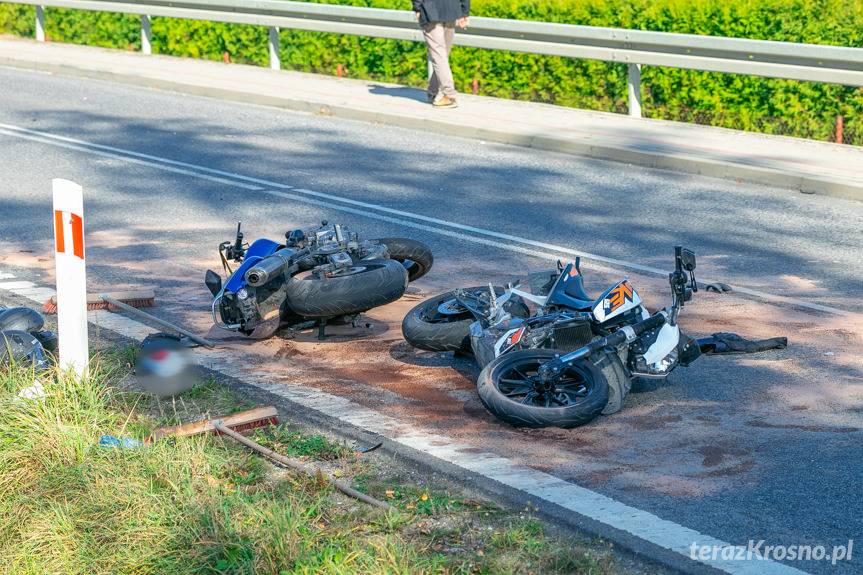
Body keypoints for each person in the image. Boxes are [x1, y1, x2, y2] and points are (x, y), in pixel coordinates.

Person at [413, 0, 470, 108]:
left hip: (430, 10)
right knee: (442, 56)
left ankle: (449, 95)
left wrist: (417, 7)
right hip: (451, 10)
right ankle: (433, 92)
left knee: (439, 55)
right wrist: (464, 12)